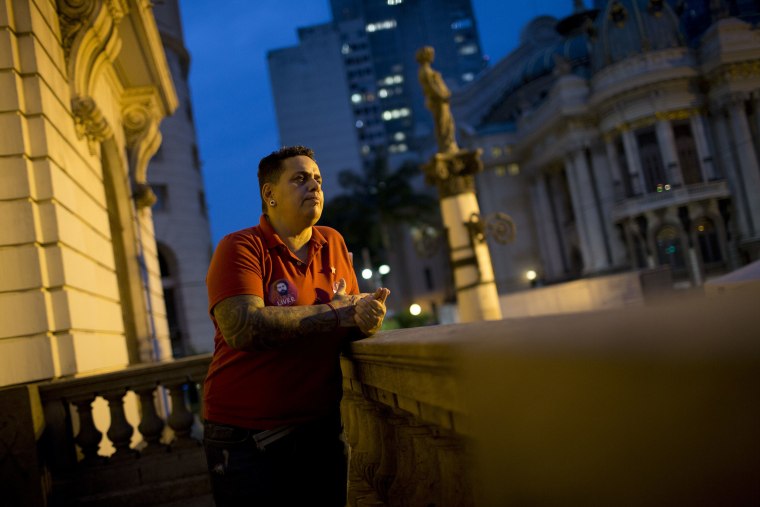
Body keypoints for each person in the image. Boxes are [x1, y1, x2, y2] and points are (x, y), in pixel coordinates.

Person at [202, 145, 390, 506]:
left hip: (320, 426)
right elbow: (244, 328)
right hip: (247, 436)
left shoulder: (332, 242)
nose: (315, 186)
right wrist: (340, 313)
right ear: (269, 194)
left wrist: (366, 317)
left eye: (318, 179)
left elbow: (347, 320)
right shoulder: (240, 247)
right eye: (301, 179)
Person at [416, 45, 459, 154]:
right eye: (431, 54)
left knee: (447, 123)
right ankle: (447, 146)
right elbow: (431, 87)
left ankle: (448, 144)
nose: (432, 56)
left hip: (440, 102)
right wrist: (443, 95)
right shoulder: (425, 70)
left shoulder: (426, 70)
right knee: (444, 124)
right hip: (438, 101)